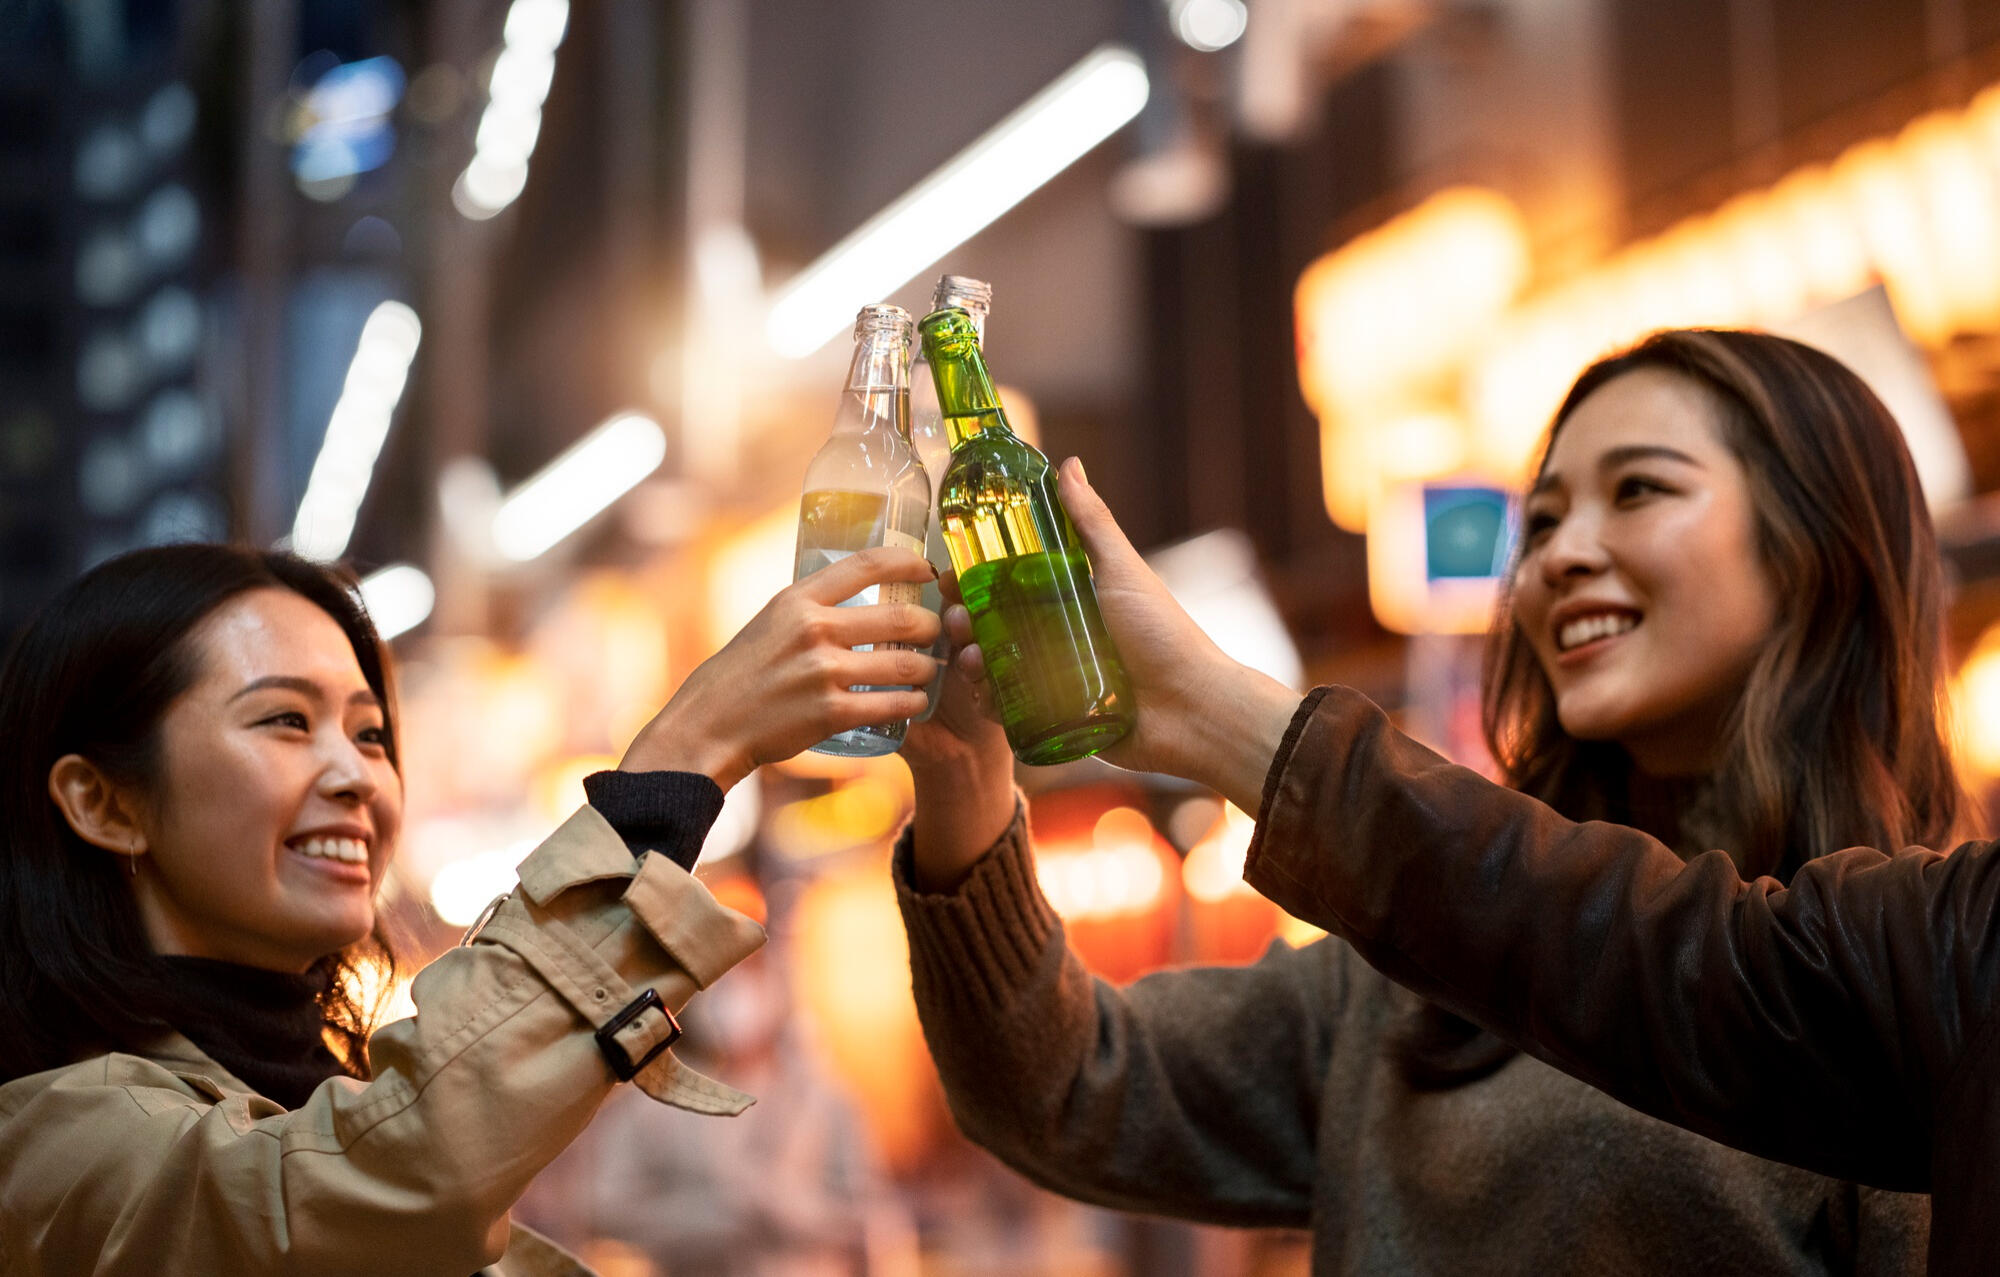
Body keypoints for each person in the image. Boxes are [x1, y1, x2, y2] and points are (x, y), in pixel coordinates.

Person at [895, 329, 1951, 1275]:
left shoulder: (1901, 983)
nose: (1557, 556)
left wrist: (1208, 708)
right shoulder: (1415, 977)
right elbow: (1066, 1086)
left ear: (1817, 545)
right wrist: (959, 773)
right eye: (1539, 521)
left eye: (1637, 489)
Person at [0, 541, 939, 1275]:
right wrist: (689, 755)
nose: (355, 775)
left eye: (370, 733)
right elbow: (377, 1180)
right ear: (104, 802)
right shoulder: (51, 1140)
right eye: (285, 719)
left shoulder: (342, 1086)